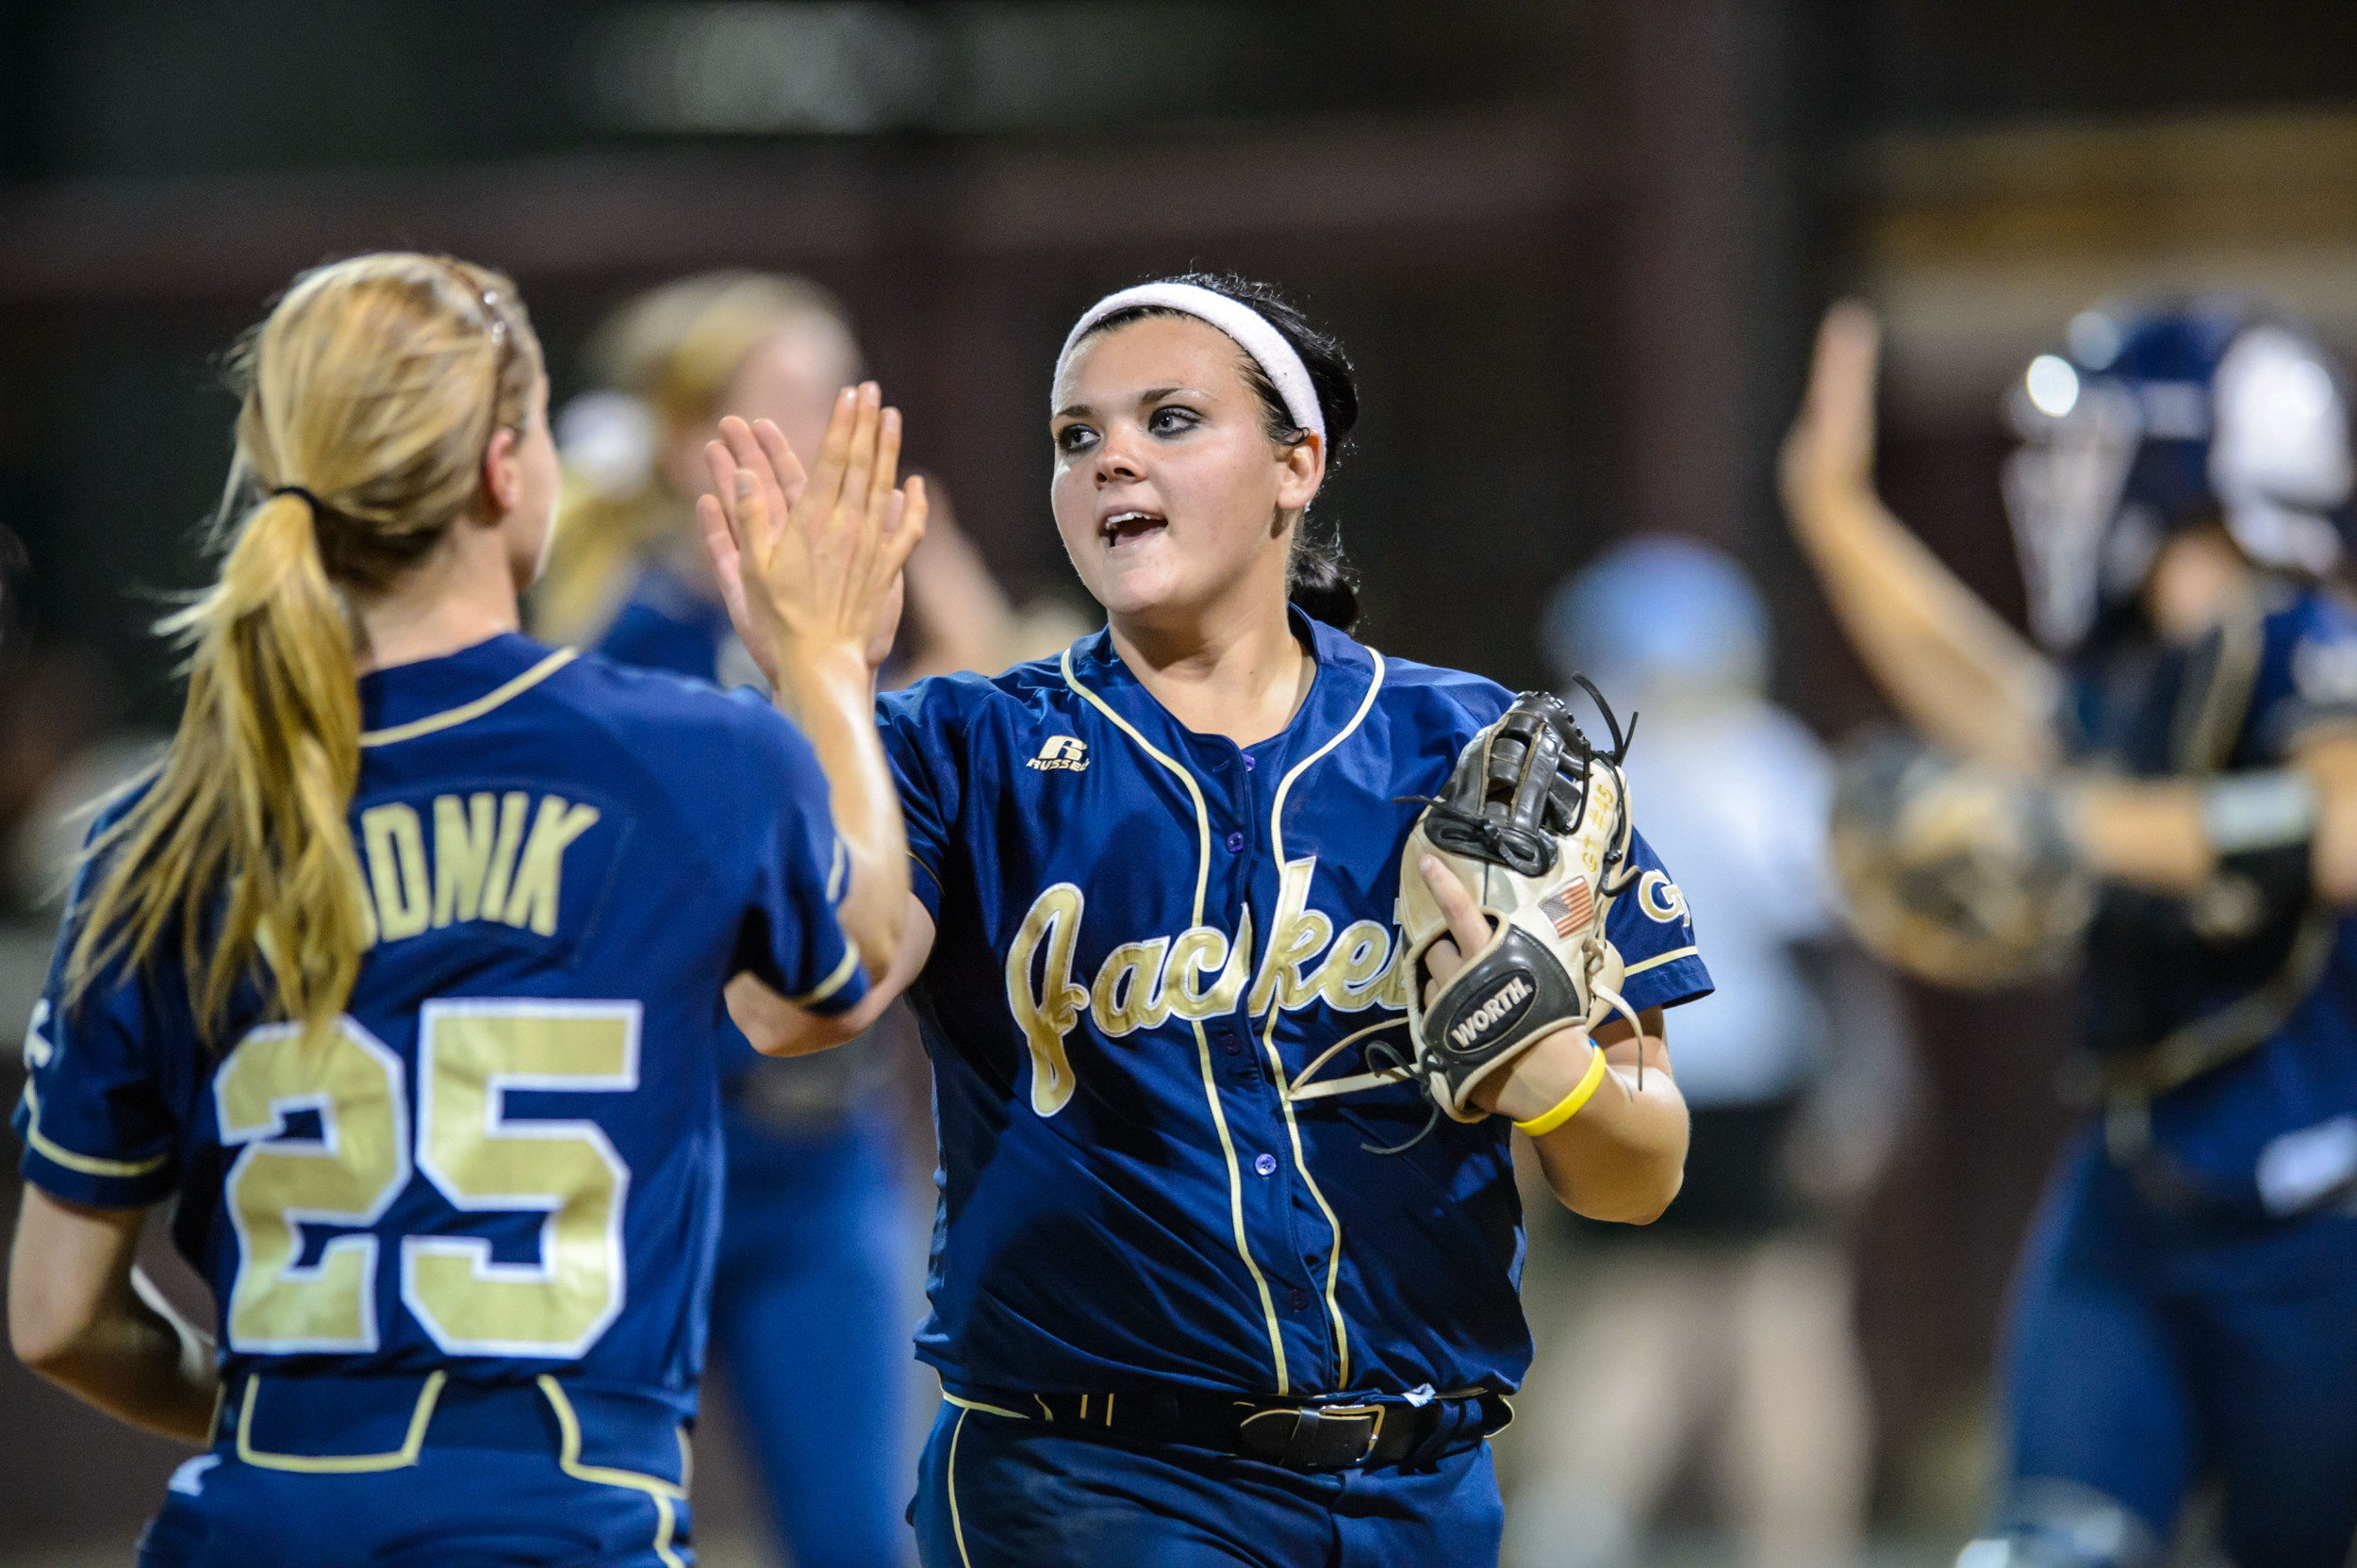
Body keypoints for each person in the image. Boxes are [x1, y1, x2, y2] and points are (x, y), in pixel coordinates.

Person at [700, 272, 1708, 1566]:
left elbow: (1640, 1174)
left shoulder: (1473, 749)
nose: (1113, 453)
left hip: (1426, 1492)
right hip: (1090, 1485)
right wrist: (824, 676)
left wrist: (1562, 1080)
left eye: (1171, 418)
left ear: (1300, 465)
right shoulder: (967, 747)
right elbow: (792, 1003)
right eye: (1078, 436)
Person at [5, 252, 920, 1567]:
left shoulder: (156, 833)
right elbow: (857, 959)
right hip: (555, 1525)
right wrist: (829, 664)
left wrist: (295, 1412)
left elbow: (53, 1316)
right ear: (505, 468)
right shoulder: (682, 754)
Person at [1782, 299, 2357, 1568]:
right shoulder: (2156, 665)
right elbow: (2016, 720)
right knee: (2047, 1546)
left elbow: (2345, 824)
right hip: (2134, 1199)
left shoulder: (2307, 644)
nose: (2063, 479)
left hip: (2317, 1231)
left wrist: (2072, 830)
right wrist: (1840, 520)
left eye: (2097, 444)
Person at [536, 270, 997, 1568]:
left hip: (818, 1152)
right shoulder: (623, 636)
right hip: (639, 1153)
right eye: (795, 395)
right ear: (697, 439)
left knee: (867, 1535)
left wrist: (934, 548)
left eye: (850, 385)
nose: (845, 423)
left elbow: (976, 742)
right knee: (598, 1526)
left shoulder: (841, 636)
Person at [1505, 536, 1906, 1568]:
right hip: (1756, 1085)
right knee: (1781, 1334)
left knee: (1635, 1326)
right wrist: (1869, 1087)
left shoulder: (1563, 783)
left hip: (1616, 1071)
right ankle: (1799, 1547)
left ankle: (1569, 1531)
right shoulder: (1763, 760)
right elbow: (1821, 941)